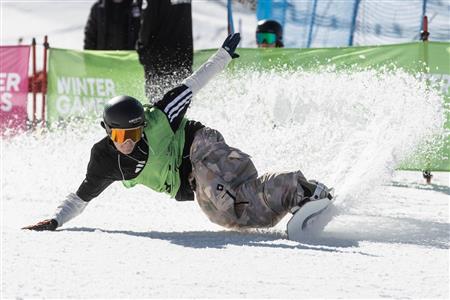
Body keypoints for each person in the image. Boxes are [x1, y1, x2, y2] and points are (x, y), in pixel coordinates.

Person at [22, 33, 331, 232]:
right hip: (190, 180)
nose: (127, 143)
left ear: (143, 125)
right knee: (230, 217)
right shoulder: (104, 161)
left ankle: (300, 189)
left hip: (200, 148)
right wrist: (55, 221)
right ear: (107, 133)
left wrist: (223, 55)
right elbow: (80, 198)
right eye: (119, 137)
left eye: (133, 134)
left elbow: (193, 84)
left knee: (227, 199)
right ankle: (291, 198)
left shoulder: (159, 118)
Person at [136, 0, 193, 103]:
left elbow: (147, 24)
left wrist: (142, 50)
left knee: (158, 110)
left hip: (159, 62)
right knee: (182, 107)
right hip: (184, 60)